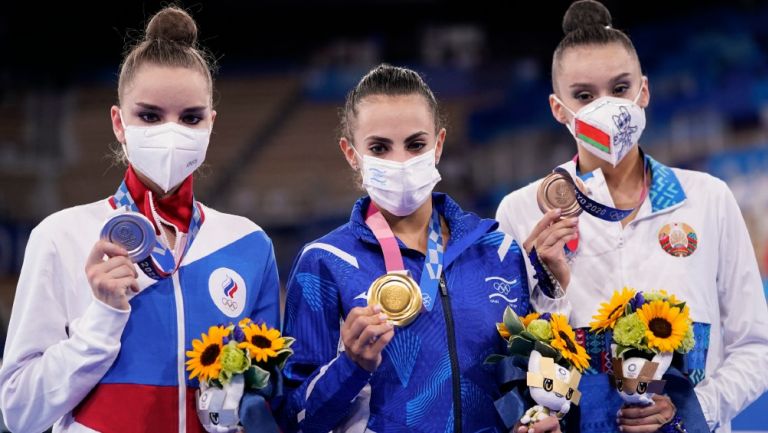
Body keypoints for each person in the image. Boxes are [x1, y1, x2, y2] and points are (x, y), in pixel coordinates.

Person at [0, 6, 280, 432]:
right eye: (149, 116)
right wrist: (103, 318)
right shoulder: (60, 236)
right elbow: (19, 413)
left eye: (190, 118)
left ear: (210, 125)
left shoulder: (248, 244)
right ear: (118, 122)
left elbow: (266, 394)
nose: (171, 132)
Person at [496, 1, 768, 433]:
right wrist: (551, 287)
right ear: (558, 109)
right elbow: (516, 353)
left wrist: (693, 410)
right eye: (584, 96)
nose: (606, 107)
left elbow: (756, 346)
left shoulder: (707, 199)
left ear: (643, 91)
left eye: (619, 89)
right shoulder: (522, 210)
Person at [278, 64, 568, 433]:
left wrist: (544, 419)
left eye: (416, 145)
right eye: (379, 147)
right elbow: (292, 418)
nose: (400, 162)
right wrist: (351, 364)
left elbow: (531, 376)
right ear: (351, 154)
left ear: (439, 145)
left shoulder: (498, 250)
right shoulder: (324, 263)